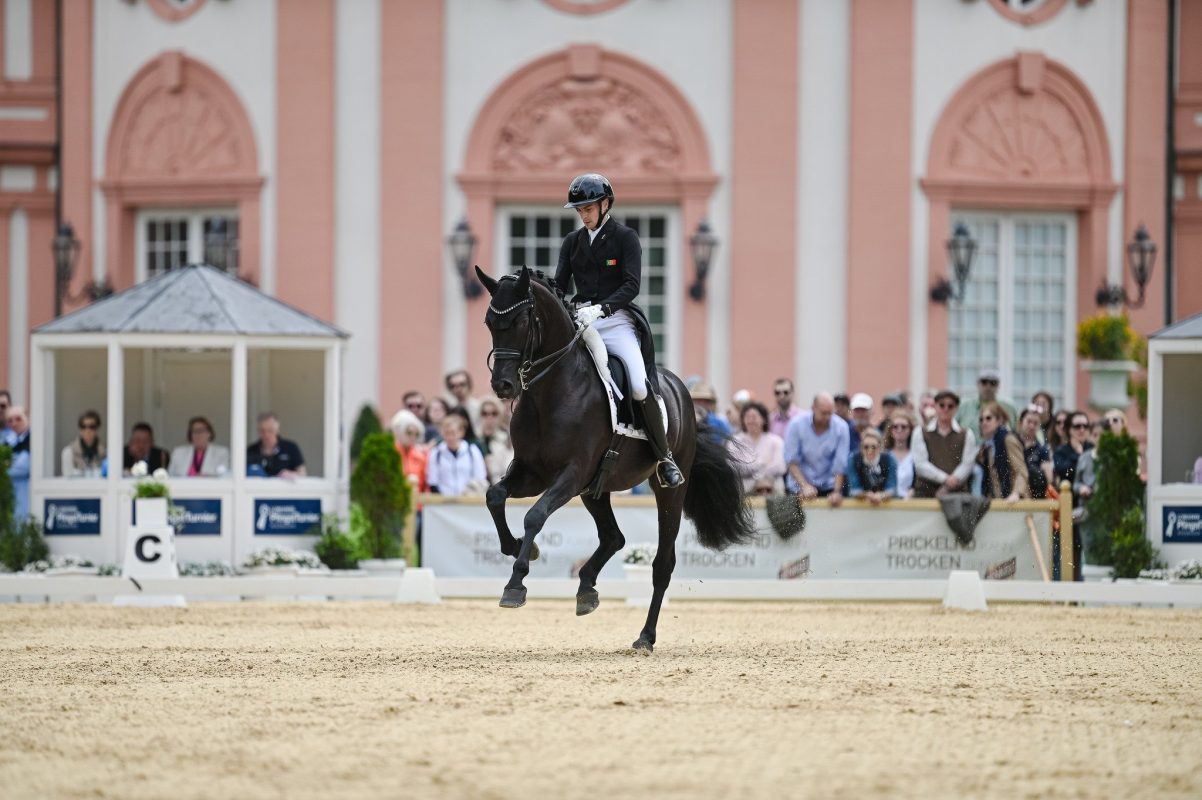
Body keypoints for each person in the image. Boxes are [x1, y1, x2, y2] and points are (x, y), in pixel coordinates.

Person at [553, 173, 683, 488]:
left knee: (639, 386)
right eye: (579, 210)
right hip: (582, 321)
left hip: (617, 321)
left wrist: (603, 308)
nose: (583, 215)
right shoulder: (572, 243)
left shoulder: (625, 238)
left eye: (587, 208)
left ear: (605, 203)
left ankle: (664, 456)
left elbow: (631, 285)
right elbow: (559, 286)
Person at [783, 392, 850, 505]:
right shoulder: (796, 424)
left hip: (828, 487)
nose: (827, 417)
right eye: (824, 413)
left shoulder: (841, 427)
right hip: (798, 487)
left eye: (830, 413)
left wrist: (836, 491)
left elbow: (840, 463)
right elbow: (791, 461)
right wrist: (804, 486)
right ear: (813, 408)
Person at [911, 389, 977, 498]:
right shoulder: (920, 432)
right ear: (935, 406)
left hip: (956, 495)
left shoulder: (966, 433)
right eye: (942, 405)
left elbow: (968, 463)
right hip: (925, 494)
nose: (946, 409)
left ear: (956, 408)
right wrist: (946, 479)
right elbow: (920, 464)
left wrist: (950, 483)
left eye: (950, 406)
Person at [728, 401, 786, 495]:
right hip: (745, 491)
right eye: (747, 417)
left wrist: (754, 471)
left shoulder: (776, 441)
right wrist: (762, 464)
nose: (751, 421)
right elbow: (734, 467)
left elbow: (780, 467)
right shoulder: (735, 442)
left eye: (754, 417)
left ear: (763, 419)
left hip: (773, 490)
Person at [976, 402, 1027, 503]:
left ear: (1000, 420)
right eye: (981, 419)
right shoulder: (987, 446)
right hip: (1000, 502)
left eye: (988, 418)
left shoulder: (1008, 439)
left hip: (1016, 502)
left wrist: (1016, 493)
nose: (984, 422)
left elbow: (1021, 471)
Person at [426, 414, 486, 496]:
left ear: (461, 432)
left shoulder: (472, 451)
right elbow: (433, 482)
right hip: (444, 503)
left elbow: (480, 478)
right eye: (447, 433)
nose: (450, 437)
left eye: (453, 433)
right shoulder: (436, 453)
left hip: (469, 501)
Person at [956, 368, 1018, 439]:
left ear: (998, 385)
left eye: (993, 383)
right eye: (984, 382)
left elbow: (1018, 432)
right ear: (977, 384)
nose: (988, 387)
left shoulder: (1009, 407)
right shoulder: (964, 406)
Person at [846, 427, 896, 506]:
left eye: (873, 447)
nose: (870, 451)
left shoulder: (889, 459)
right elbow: (854, 489)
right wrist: (867, 495)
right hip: (860, 505)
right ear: (861, 447)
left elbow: (892, 487)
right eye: (866, 447)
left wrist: (881, 495)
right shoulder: (853, 459)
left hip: (885, 505)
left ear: (879, 448)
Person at [247, 412, 306, 478]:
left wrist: (290, 474)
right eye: (262, 431)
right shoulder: (251, 450)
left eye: (270, 430)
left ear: (278, 430)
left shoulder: (291, 448)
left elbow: (302, 474)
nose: (266, 435)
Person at [390, 409, 430, 493]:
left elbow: (425, 485)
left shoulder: (421, 456)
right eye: (409, 433)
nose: (413, 437)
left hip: (417, 502)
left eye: (416, 434)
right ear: (400, 432)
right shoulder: (390, 453)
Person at [1017, 406, 1053, 500]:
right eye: (1029, 422)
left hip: (1034, 495)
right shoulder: (1012, 444)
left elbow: (1048, 478)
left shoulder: (1042, 449)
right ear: (1021, 422)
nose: (1032, 426)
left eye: (1036, 423)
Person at [477, 395, 514, 484]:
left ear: (500, 416)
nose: (489, 418)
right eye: (484, 413)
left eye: (494, 413)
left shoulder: (507, 440)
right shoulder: (474, 440)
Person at [1053, 410, 1092, 491]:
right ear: (1069, 429)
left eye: (1085, 426)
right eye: (1077, 426)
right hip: (1069, 498)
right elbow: (1065, 474)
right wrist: (1078, 455)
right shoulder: (1060, 451)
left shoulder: (1092, 448)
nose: (1082, 429)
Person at [61, 410, 105, 478]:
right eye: (83, 426)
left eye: (92, 426)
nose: (87, 430)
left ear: (97, 428)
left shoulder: (106, 452)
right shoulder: (68, 452)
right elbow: (67, 476)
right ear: (79, 429)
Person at [883, 410, 916, 498]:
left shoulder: (915, 456)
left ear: (910, 430)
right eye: (895, 426)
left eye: (904, 426)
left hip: (909, 504)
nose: (899, 429)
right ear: (890, 430)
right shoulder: (883, 455)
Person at [5, 405, 30, 519]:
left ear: (27, 418)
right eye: (10, 420)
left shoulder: (32, 438)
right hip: (10, 494)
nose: (14, 423)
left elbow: (23, 468)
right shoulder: (8, 440)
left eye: (18, 419)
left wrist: (6, 465)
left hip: (26, 493)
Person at [444, 370, 482, 435]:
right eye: (453, 386)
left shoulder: (479, 406)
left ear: (469, 385)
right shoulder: (450, 409)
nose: (458, 388)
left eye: (462, 384)